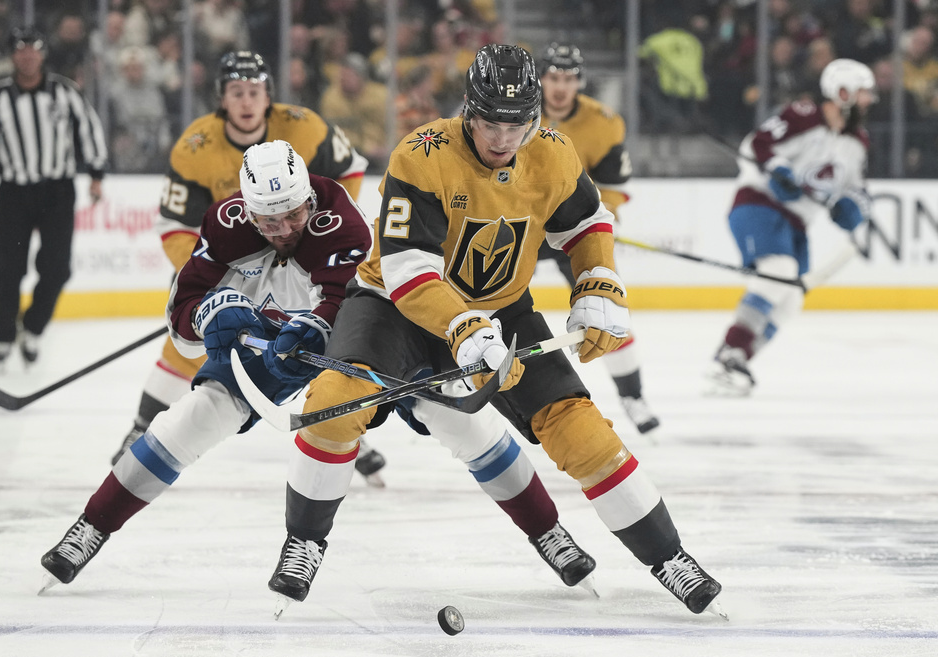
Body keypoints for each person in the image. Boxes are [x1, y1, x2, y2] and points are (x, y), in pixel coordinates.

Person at [263, 44, 724, 618]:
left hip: (500, 310)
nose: (504, 139)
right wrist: (463, 327)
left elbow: (587, 222)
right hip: (393, 306)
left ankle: (670, 557)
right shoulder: (422, 154)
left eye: (517, 125)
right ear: (468, 110)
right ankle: (304, 542)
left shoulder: (553, 152)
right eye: (491, 124)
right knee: (334, 403)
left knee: (580, 431)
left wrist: (598, 281)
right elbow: (408, 269)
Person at [39, 140, 599, 597]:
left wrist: (311, 327)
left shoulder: (344, 224)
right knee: (194, 417)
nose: (285, 228)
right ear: (248, 211)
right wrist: (214, 313)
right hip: (268, 343)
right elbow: (180, 321)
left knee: (462, 421)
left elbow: (346, 309)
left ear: (309, 198)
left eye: (294, 214)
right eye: (269, 220)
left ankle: (549, 532)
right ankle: (90, 528)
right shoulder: (225, 224)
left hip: (366, 339)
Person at [110, 50, 373, 466]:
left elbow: (350, 170)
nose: (246, 101)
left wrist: (321, 237)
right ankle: (141, 427)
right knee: (189, 344)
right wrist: (211, 276)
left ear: (269, 96)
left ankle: (336, 423)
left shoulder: (305, 127)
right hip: (230, 261)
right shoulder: (195, 145)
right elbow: (175, 223)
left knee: (317, 331)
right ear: (222, 99)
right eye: (237, 92)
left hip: (301, 256)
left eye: (255, 92)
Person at [706, 58, 875, 396]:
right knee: (778, 272)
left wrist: (853, 207)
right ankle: (730, 351)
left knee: (791, 299)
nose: (870, 100)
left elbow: (857, 188)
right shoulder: (803, 115)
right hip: (758, 204)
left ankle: (736, 361)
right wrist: (778, 169)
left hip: (796, 223)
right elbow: (758, 144)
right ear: (842, 92)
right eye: (864, 92)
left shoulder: (857, 141)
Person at [0, 25, 107, 367]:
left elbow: (89, 129)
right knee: (7, 268)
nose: (27, 56)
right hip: (15, 193)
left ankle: (32, 328)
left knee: (57, 268)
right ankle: (3, 335)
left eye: (34, 49)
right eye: (20, 49)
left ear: (42, 54)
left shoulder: (65, 92)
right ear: (13, 56)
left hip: (58, 191)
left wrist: (96, 175)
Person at [535, 42, 660, 436]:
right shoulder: (514, 113)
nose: (560, 87)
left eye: (569, 78)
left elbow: (611, 187)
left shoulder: (604, 123)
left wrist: (605, 220)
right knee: (484, 296)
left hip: (573, 227)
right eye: (553, 77)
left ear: (580, 82)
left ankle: (633, 397)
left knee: (605, 309)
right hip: (521, 227)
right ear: (541, 79)